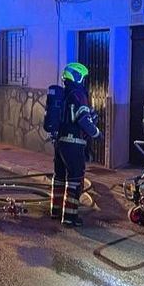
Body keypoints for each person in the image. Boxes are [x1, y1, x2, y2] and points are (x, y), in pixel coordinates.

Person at [50, 62, 101, 227]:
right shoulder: (78, 95)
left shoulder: (63, 93)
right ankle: (70, 217)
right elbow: (83, 120)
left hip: (60, 142)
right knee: (75, 179)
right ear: (77, 76)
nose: (84, 81)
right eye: (83, 77)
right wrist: (97, 134)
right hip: (73, 144)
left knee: (59, 177)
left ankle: (56, 211)